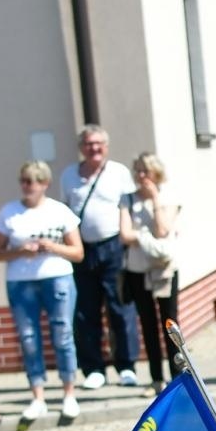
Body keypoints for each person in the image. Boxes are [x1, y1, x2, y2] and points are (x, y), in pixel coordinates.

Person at [0, 161, 85, 421]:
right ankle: (38, 397)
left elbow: (78, 252)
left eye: (32, 181)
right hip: (21, 281)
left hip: (57, 277)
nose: (26, 186)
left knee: (62, 334)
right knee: (29, 338)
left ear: (44, 183)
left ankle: (69, 393)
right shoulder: (9, 212)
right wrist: (21, 251)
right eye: (23, 180)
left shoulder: (59, 211)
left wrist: (51, 247)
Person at [59, 125, 137, 389]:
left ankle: (126, 366)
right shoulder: (69, 175)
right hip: (83, 249)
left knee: (119, 307)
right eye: (88, 144)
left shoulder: (118, 173)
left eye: (98, 143)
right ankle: (93, 368)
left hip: (113, 247)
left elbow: (128, 208)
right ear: (81, 147)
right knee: (86, 311)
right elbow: (66, 211)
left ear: (106, 146)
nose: (94, 148)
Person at [118, 153, 181, 394]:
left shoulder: (168, 196)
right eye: (137, 171)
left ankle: (178, 378)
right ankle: (156, 379)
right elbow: (125, 235)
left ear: (156, 172)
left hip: (164, 269)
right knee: (147, 323)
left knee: (170, 323)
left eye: (145, 170)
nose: (140, 175)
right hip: (138, 269)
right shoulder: (127, 199)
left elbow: (163, 230)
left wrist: (155, 199)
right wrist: (146, 236)